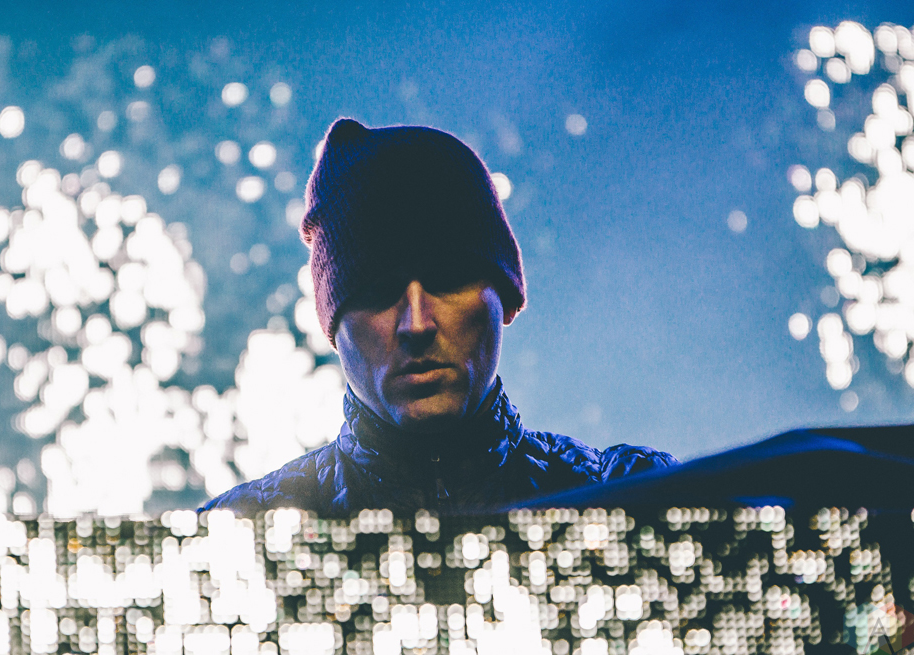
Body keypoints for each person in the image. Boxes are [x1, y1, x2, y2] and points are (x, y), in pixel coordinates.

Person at [201, 118, 678, 516]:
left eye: (448, 279)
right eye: (377, 291)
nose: (416, 324)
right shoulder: (234, 539)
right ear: (333, 326)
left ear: (505, 298)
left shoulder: (639, 501)